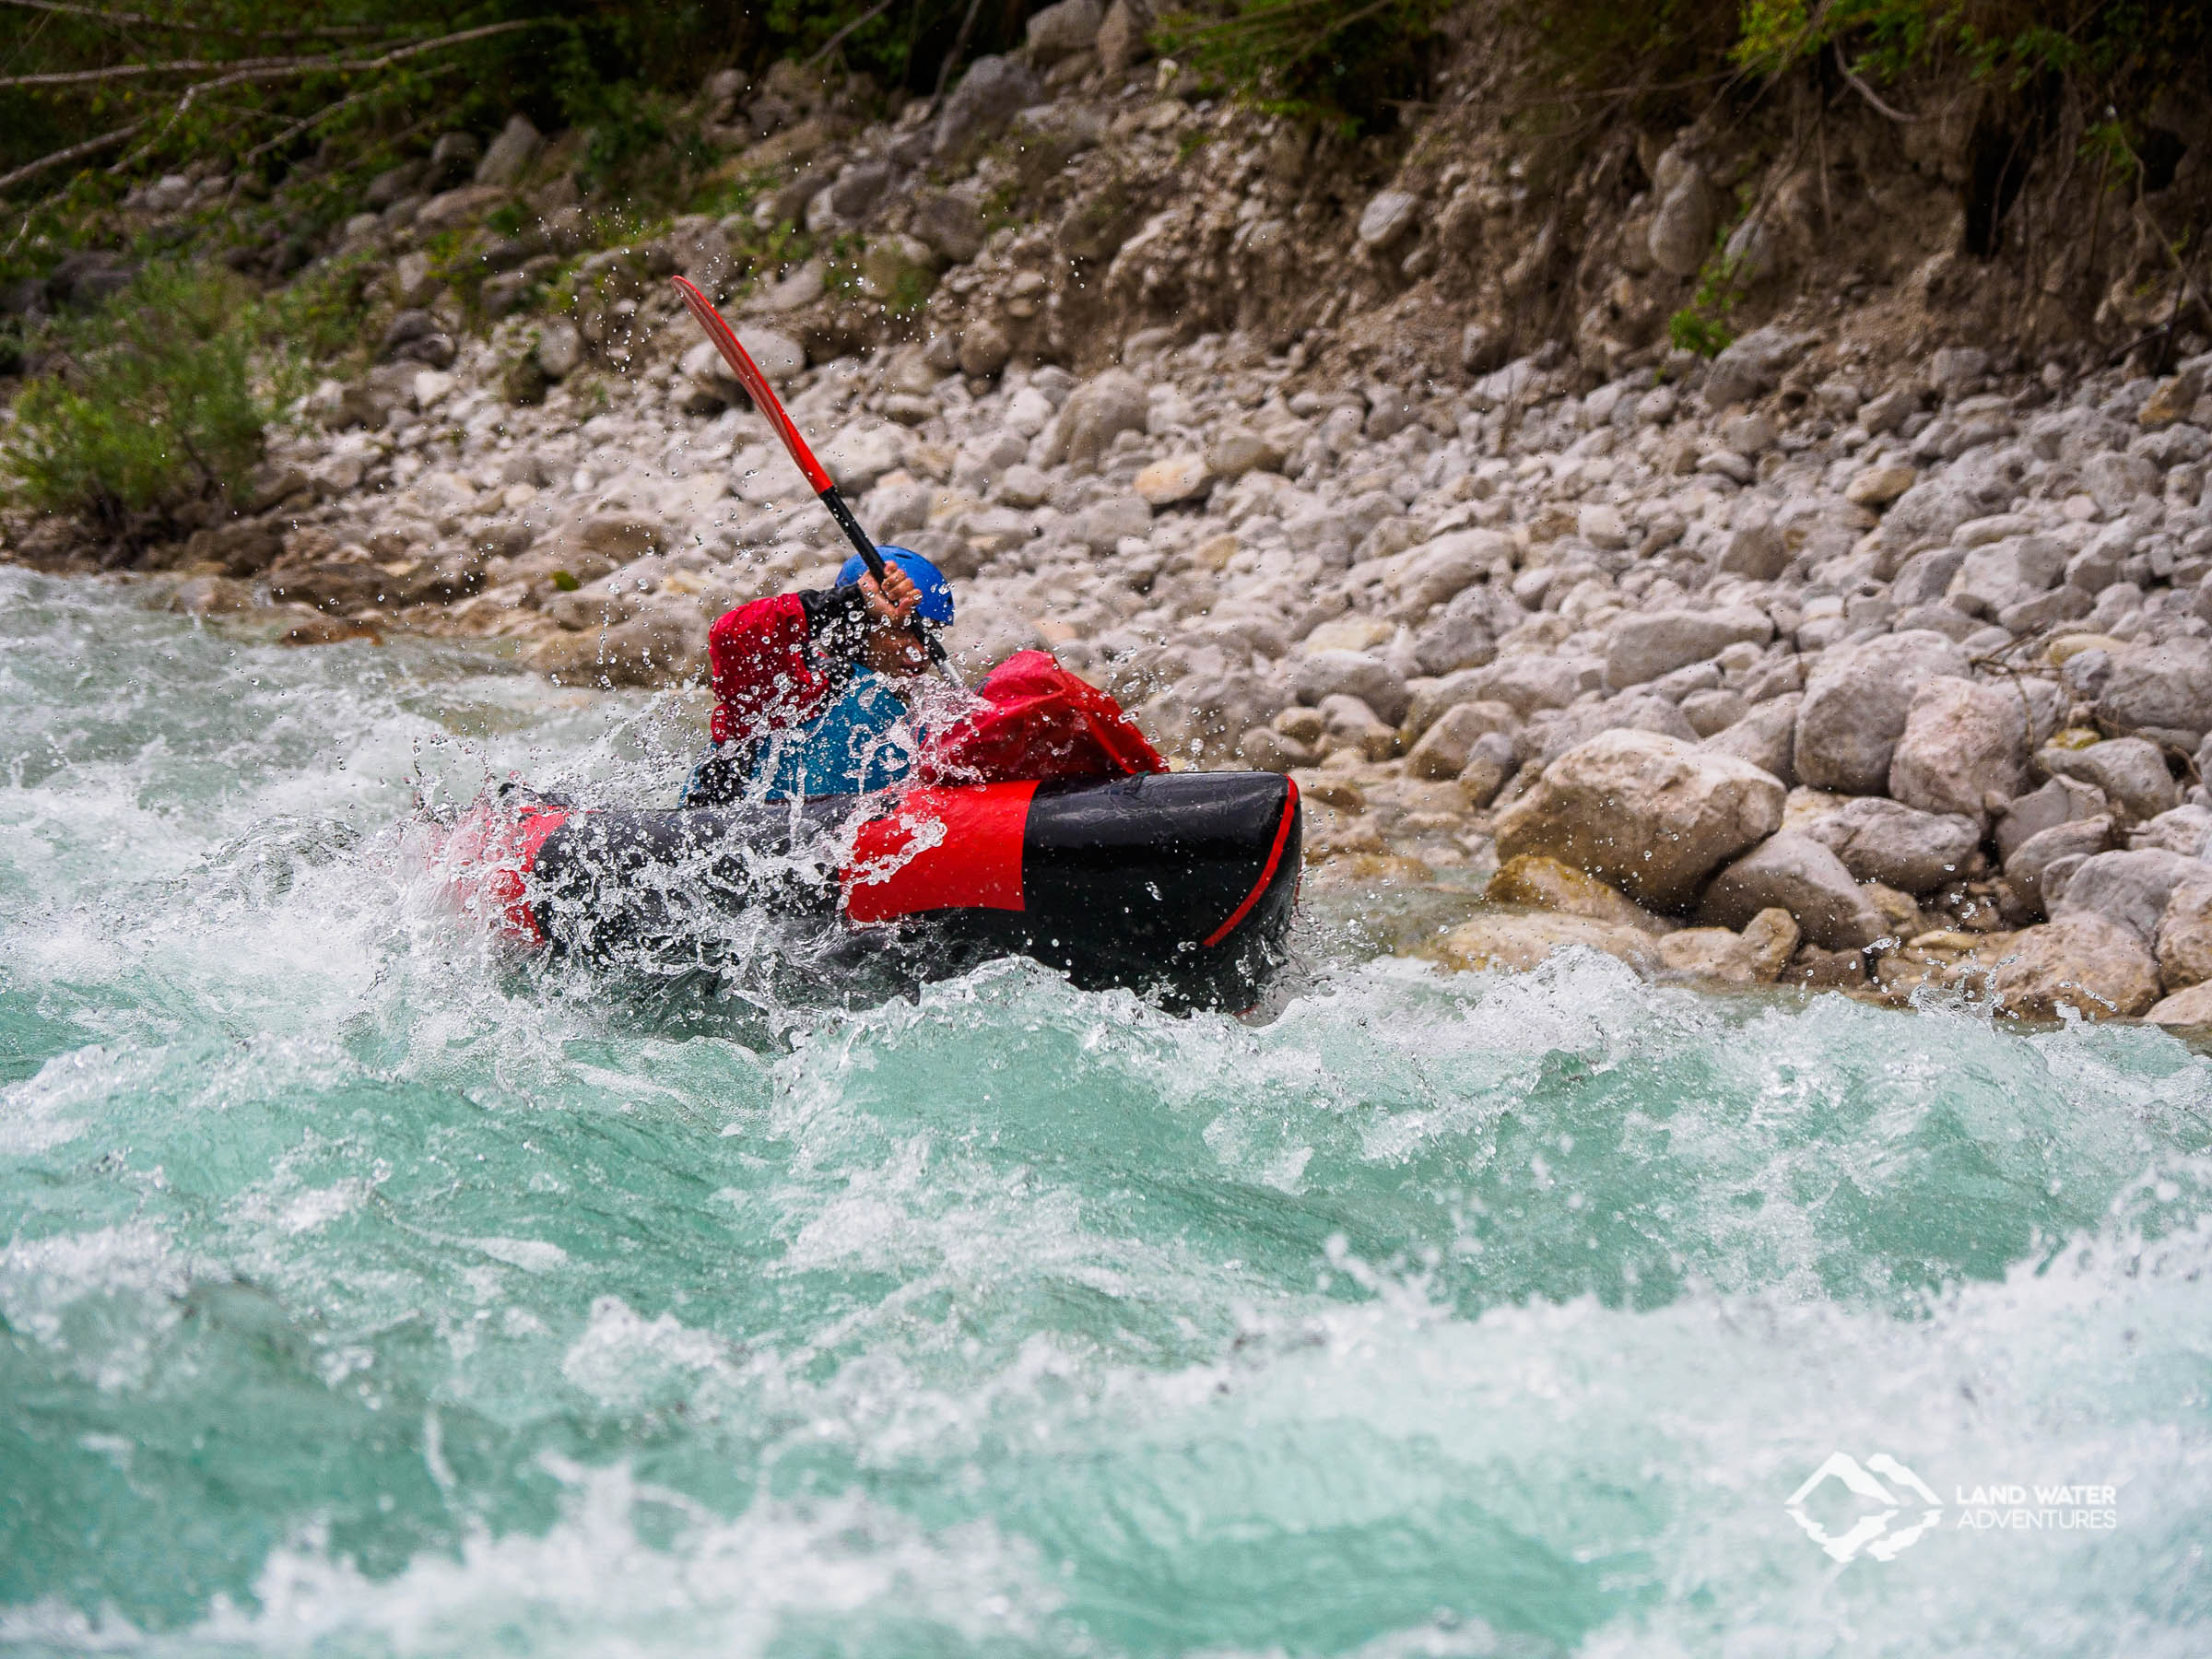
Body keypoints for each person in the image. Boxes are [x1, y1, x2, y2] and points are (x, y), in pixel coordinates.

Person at [681, 546, 955, 806]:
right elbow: (732, 635)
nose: (921, 651)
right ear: (854, 627)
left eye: (929, 634)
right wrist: (851, 600)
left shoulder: (922, 715)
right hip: (732, 836)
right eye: (900, 630)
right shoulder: (800, 688)